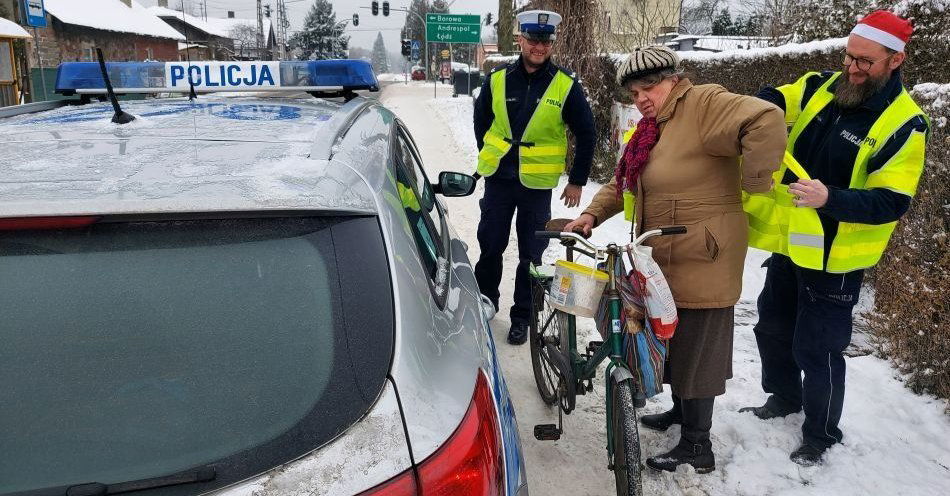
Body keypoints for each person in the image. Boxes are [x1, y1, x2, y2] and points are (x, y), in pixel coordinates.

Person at [563, 45, 787, 473]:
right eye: (634, 92)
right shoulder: (651, 129)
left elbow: (766, 117)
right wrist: (592, 213)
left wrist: (757, 180)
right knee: (674, 339)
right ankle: (682, 415)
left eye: (650, 86)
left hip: (704, 253)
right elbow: (623, 179)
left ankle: (698, 446)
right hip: (664, 256)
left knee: (699, 346)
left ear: (673, 78)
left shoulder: (704, 104)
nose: (642, 98)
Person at [742, 10, 930, 466]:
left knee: (818, 348)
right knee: (771, 325)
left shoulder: (905, 123)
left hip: (838, 257)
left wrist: (831, 198)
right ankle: (783, 397)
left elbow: (891, 201)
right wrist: (754, 108)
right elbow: (769, 103)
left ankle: (821, 433)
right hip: (795, 242)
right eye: (849, 56)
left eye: (865, 61)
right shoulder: (818, 86)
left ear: (895, 59)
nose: (852, 67)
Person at [473, 9, 596, 345]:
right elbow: (481, 121)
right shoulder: (497, 79)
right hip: (499, 179)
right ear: (521, 40)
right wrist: (490, 153)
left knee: (532, 255)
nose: (539, 47)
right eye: (533, 39)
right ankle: (485, 304)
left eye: (546, 41)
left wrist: (577, 179)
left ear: (551, 44)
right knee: (490, 246)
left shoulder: (564, 85)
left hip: (536, 187)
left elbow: (587, 132)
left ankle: (522, 316)